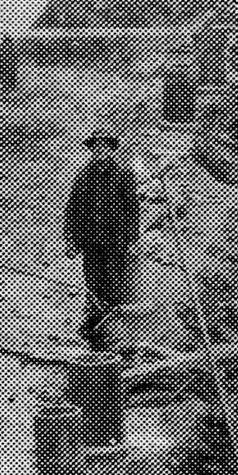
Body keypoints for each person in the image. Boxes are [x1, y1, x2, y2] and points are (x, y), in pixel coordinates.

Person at [65, 131, 141, 347]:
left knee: (113, 284)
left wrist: (131, 240)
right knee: (91, 283)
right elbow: (72, 210)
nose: (100, 151)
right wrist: (71, 240)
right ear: (91, 150)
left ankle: (112, 330)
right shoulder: (83, 176)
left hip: (115, 242)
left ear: (111, 150)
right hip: (90, 242)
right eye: (96, 147)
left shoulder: (123, 175)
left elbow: (132, 210)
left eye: (104, 147)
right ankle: (94, 325)